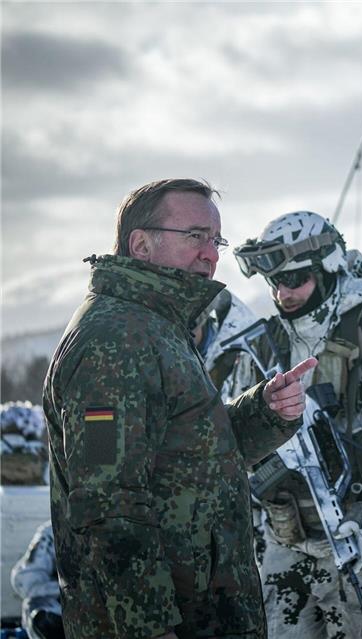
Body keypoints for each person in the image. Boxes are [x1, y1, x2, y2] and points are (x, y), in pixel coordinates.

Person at [42, 178, 316, 639]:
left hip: (202, 611)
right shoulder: (117, 338)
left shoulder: (156, 326)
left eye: (216, 240)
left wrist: (264, 411)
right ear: (141, 244)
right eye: (195, 236)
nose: (211, 253)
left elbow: (187, 460)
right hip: (169, 623)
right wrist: (150, 627)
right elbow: (109, 505)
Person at [233, 211, 362, 639]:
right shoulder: (260, 345)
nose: (282, 292)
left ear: (328, 269)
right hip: (285, 545)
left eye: (295, 279)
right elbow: (236, 439)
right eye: (274, 281)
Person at [10, 522, 63, 639]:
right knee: (35, 606)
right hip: (68, 606)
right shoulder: (56, 529)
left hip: (107, 608)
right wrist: (67, 591)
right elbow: (25, 582)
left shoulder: (112, 527)